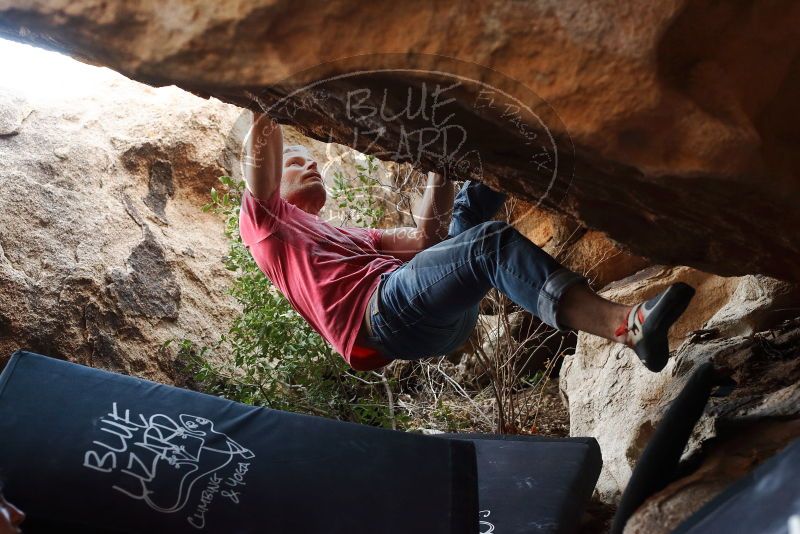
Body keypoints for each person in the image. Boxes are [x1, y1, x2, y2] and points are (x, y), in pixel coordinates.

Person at [239, 112, 695, 373]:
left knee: (470, 203)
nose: (310, 164)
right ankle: (625, 325)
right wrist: (269, 99)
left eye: (312, 157)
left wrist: (440, 167)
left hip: (433, 312)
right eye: (296, 160)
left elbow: (426, 238)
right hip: (385, 318)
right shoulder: (264, 225)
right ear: (274, 177)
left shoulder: (349, 235)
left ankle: (541, 146)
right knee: (487, 243)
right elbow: (264, 132)